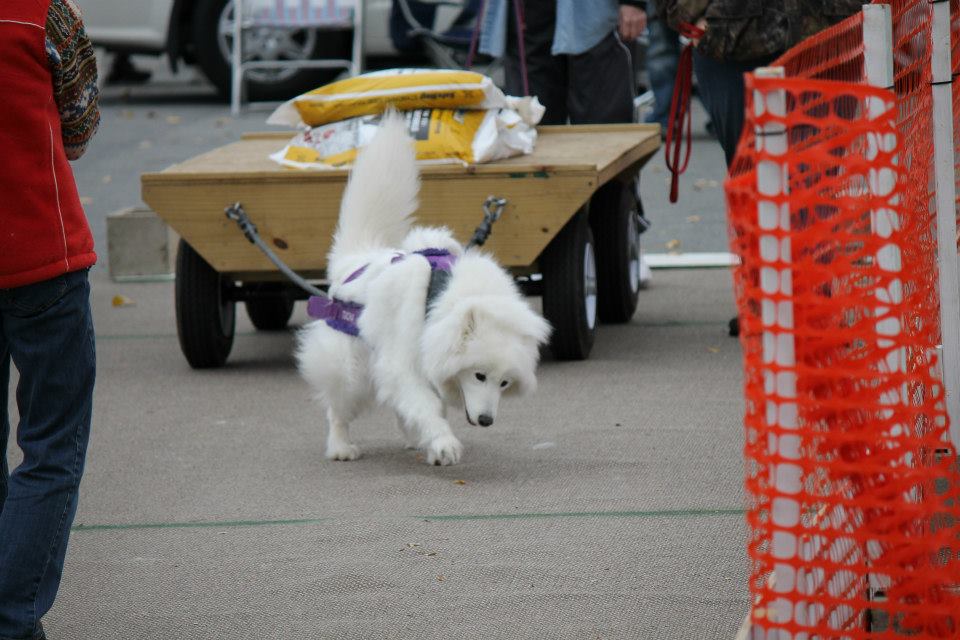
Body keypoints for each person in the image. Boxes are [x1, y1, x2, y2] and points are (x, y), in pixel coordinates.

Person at [0, 0, 100, 638]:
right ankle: (12, 618)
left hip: (44, 262)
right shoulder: (44, 13)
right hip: (42, 255)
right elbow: (80, 125)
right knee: (51, 447)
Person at [479, 0, 647, 125]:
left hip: (596, 17)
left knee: (604, 129)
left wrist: (634, 2)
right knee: (531, 129)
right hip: (528, 21)